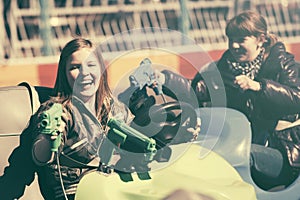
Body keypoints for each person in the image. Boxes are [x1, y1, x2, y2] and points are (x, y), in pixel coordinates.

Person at [127, 11, 300, 190]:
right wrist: (164, 79)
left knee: (236, 157)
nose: (234, 45)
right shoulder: (224, 69)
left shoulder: (282, 64)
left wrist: (259, 87)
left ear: (260, 39)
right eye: (231, 39)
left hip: (285, 150)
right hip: (242, 141)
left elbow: (296, 97)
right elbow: (197, 92)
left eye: (241, 40)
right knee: (206, 156)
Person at [0, 38, 134, 200]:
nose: (84, 72)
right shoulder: (56, 111)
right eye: (75, 67)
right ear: (64, 73)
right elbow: (37, 157)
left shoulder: (116, 110)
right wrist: (49, 139)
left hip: (116, 191)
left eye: (91, 65)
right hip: (74, 193)